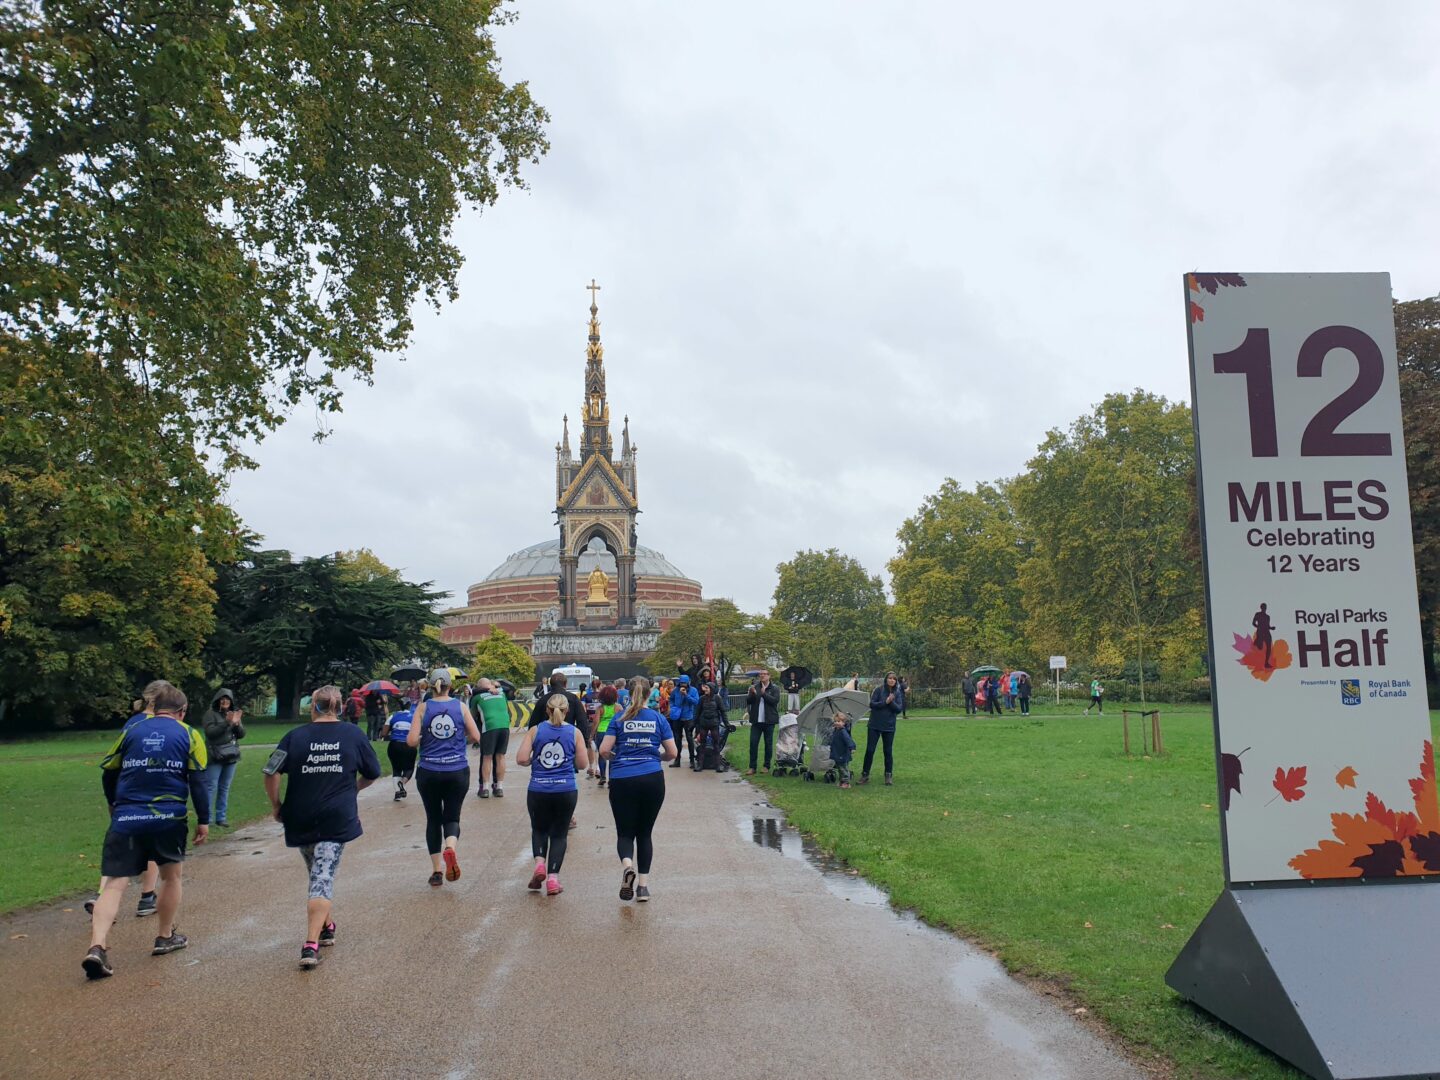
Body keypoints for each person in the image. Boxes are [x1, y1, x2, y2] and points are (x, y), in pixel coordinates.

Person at [83, 683, 209, 979]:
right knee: (171, 877)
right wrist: (204, 819)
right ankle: (165, 937)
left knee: (114, 883)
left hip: (127, 816)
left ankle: (97, 947)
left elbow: (108, 771)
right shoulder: (190, 734)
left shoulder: (131, 731)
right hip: (169, 816)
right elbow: (198, 781)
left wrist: (113, 804)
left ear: (154, 707)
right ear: (182, 711)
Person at [263, 685, 381, 969]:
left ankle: (326, 925)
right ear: (340, 708)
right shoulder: (353, 734)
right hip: (335, 816)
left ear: (312, 707)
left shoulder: (295, 736)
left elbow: (270, 771)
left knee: (318, 871)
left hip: (299, 814)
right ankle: (311, 943)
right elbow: (373, 772)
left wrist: (276, 804)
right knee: (322, 876)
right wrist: (352, 790)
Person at [86, 681, 168, 919]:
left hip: (123, 792)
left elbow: (112, 762)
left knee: (119, 848)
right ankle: (146, 897)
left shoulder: (131, 723)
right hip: (150, 792)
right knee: (151, 844)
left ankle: (102, 896)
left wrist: (112, 799)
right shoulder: (160, 724)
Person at [600, 677, 677, 903]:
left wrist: (619, 758)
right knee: (645, 833)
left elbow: (604, 750)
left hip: (623, 778)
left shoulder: (618, 718)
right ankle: (643, 888)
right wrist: (656, 757)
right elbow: (672, 752)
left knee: (625, 832)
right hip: (652, 777)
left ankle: (627, 866)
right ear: (648, 694)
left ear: (628, 694)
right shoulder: (658, 718)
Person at [407, 669, 481, 887]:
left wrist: (423, 735)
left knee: (433, 818)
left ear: (430, 686)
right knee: (452, 816)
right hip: (456, 769)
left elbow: (411, 742)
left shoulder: (423, 707)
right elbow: (476, 736)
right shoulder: (461, 706)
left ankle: (437, 870)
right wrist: (460, 734)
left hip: (429, 770)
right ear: (452, 686)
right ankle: (451, 847)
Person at [515, 692, 588, 896]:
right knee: (559, 834)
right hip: (565, 789)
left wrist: (533, 761)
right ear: (567, 711)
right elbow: (582, 764)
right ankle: (553, 880)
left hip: (538, 788)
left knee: (539, 830)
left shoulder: (535, 731)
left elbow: (521, 759)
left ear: (547, 710)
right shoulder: (575, 733)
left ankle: (539, 863)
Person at [200, 687, 244, 828]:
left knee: (224, 787)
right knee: (211, 786)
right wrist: (227, 723)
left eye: (228, 699)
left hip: (231, 755)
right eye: (223, 699)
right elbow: (210, 733)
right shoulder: (210, 714)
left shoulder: (234, 714)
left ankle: (221, 817)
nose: (225, 701)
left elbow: (242, 734)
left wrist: (236, 724)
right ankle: (208, 818)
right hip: (215, 756)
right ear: (217, 700)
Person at [859, 672, 903, 787]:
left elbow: (898, 709)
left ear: (896, 681)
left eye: (894, 679)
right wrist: (885, 702)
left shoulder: (897, 693)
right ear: (886, 679)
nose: (892, 680)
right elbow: (872, 704)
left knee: (887, 751)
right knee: (870, 750)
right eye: (890, 678)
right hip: (874, 725)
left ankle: (888, 775)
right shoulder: (879, 690)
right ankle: (865, 775)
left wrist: (891, 702)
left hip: (889, 727)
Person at [471, 678, 511, 799]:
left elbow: (472, 716)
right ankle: (499, 787)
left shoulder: (477, 698)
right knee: (500, 756)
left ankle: (485, 788)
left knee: (487, 757)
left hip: (489, 726)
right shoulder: (501, 693)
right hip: (505, 726)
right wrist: (496, 688)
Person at [745, 670, 780, 775]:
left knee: (768, 744)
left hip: (769, 721)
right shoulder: (755, 687)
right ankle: (752, 767)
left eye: (764, 674)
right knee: (753, 743)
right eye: (760, 674)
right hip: (756, 721)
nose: (762, 676)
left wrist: (764, 694)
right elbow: (749, 701)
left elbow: (775, 701)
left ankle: (766, 766)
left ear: (769, 676)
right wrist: (751, 694)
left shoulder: (775, 688)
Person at [381, 698, 417, 800]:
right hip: (409, 745)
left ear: (399, 705)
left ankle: (398, 793)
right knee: (409, 768)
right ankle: (402, 782)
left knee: (396, 769)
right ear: (410, 706)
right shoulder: (414, 717)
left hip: (394, 745)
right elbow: (418, 732)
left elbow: (383, 734)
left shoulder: (393, 716)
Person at [693, 678, 727, 772]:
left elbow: (723, 711)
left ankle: (718, 765)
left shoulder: (717, 698)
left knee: (716, 744)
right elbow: (697, 712)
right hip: (703, 724)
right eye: (705, 688)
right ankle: (700, 765)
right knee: (702, 744)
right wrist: (693, 724)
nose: (705, 689)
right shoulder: (702, 698)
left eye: (707, 688)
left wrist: (727, 723)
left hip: (714, 724)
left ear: (711, 688)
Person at [667, 674, 698, 768]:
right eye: (681, 683)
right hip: (677, 717)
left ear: (688, 683)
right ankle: (677, 760)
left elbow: (696, 702)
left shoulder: (693, 690)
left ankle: (692, 760)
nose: (683, 685)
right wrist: (672, 707)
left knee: (689, 739)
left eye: (684, 683)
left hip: (688, 717)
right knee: (677, 738)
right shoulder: (675, 690)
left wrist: (686, 695)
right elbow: (671, 699)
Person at [593, 683, 619, 786]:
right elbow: (620, 721)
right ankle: (611, 778)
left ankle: (602, 777)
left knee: (601, 755)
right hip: (613, 733)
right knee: (612, 755)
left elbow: (596, 722)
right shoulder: (618, 707)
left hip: (601, 731)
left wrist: (591, 734)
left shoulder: (600, 708)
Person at [830, 713, 857, 789]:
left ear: (844, 723)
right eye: (836, 721)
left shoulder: (843, 731)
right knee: (839, 768)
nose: (837, 723)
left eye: (840, 721)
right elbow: (834, 740)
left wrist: (852, 747)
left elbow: (848, 740)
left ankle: (846, 782)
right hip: (837, 752)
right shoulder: (836, 731)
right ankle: (842, 781)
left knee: (843, 768)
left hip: (843, 753)